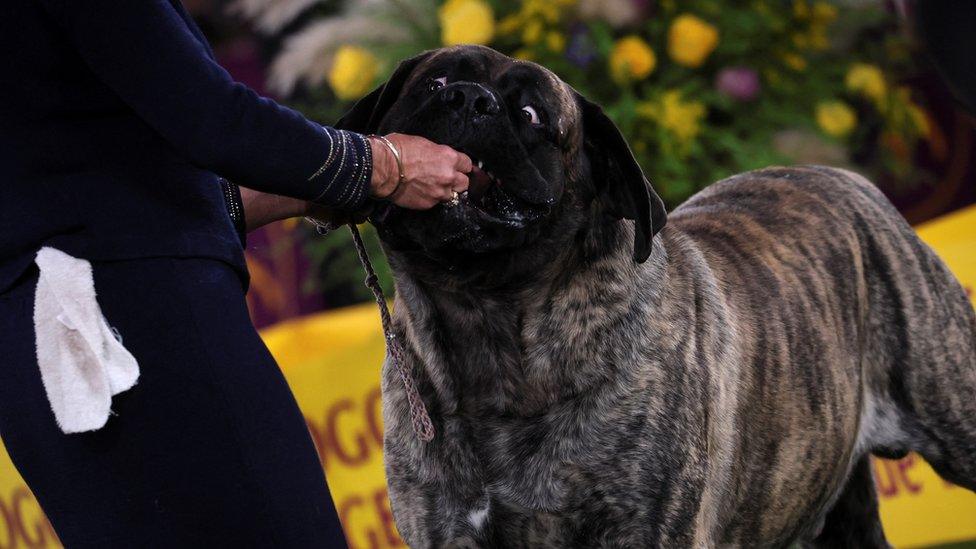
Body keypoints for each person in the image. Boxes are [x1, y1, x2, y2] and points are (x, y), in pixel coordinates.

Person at [0, 0, 471, 547]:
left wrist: (313, 185)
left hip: (36, 355)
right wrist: (382, 165)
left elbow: (87, 191)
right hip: (135, 335)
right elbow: (211, 117)